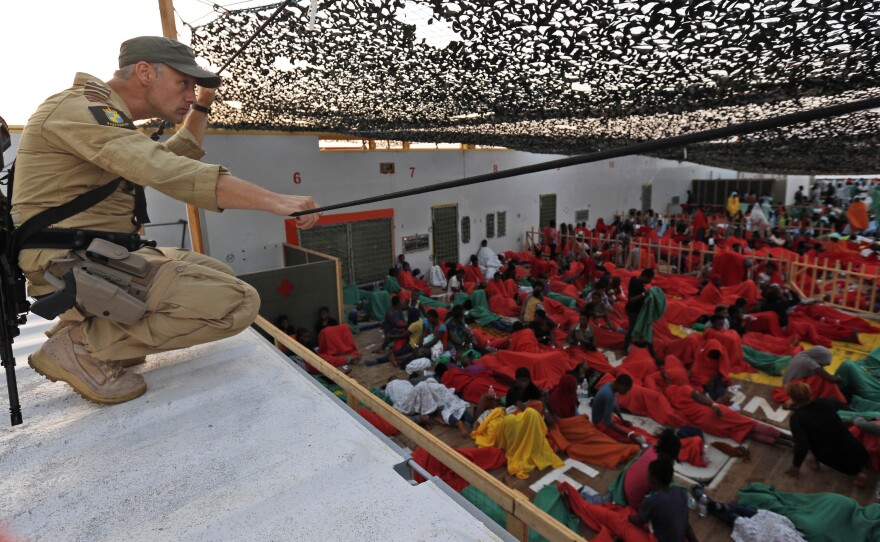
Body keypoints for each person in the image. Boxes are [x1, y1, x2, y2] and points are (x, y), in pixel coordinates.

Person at [15, 36, 321, 405]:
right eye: (184, 84)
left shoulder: (101, 116)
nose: (191, 94)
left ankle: (92, 331)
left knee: (217, 274)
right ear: (145, 72)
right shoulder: (82, 109)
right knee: (236, 303)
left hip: (96, 253)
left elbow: (174, 154)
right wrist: (276, 201)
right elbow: (166, 169)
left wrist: (203, 106)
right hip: (66, 262)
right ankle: (81, 347)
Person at [784, 381, 870, 486]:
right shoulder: (825, 402)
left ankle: (859, 475)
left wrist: (795, 466)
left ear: (792, 398)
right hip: (858, 450)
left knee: (809, 438)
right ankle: (815, 460)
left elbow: (802, 445)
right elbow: (842, 405)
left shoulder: (797, 418)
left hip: (845, 463)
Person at [628, 459, 698, 542]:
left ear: (653, 478)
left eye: (648, 474)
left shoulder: (651, 500)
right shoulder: (680, 492)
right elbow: (686, 525)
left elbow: (639, 522)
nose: (647, 476)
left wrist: (629, 517)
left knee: (624, 525)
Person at [592, 374, 643, 444]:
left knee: (634, 429)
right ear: (620, 385)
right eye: (626, 390)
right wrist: (629, 435)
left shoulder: (610, 385)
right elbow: (608, 423)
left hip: (606, 417)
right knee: (638, 438)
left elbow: (614, 405)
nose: (626, 392)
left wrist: (622, 420)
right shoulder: (608, 394)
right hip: (601, 423)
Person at [624, 268, 654, 350]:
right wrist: (644, 294)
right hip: (633, 311)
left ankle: (635, 346)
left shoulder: (636, 280)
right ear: (644, 277)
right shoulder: (636, 283)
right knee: (632, 330)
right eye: (650, 279)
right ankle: (625, 348)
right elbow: (632, 299)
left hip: (636, 310)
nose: (650, 281)